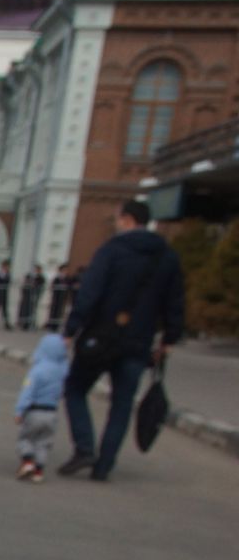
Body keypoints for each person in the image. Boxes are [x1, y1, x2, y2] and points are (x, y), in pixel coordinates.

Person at [58, 199, 185, 482]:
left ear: (127, 219)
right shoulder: (167, 256)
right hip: (139, 343)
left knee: (75, 389)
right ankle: (104, 465)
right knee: (123, 403)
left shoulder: (112, 250)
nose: (116, 224)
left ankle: (84, 447)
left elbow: (90, 293)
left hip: (101, 338)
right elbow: (175, 301)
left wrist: (70, 329)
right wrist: (169, 339)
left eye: (118, 219)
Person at [14, 331, 66, 483]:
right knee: (44, 442)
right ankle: (39, 471)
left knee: (26, 438)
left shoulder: (37, 371)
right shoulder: (61, 372)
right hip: (52, 413)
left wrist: (19, 410)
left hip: (34, 411)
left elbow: (27, 391)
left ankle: (28, 462)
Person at [18, 264, 46, 331]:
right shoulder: (29, 276)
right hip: (27, 296)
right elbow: (25, 284)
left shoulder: (41, 277)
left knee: (32, 310)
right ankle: (24, 323)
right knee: (25, 309)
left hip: (34, 296)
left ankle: (31, 323)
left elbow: (40, 285)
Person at [48, 263, 74, 327]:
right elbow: (53, 285)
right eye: (64, 270)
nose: (65, 271)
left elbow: (70, 285)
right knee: (54, 309)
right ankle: (52, 324)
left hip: (63, 296)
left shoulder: (67, 278)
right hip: (56, 296)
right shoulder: (57, 278)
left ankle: (57, 324)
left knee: (60, 310)